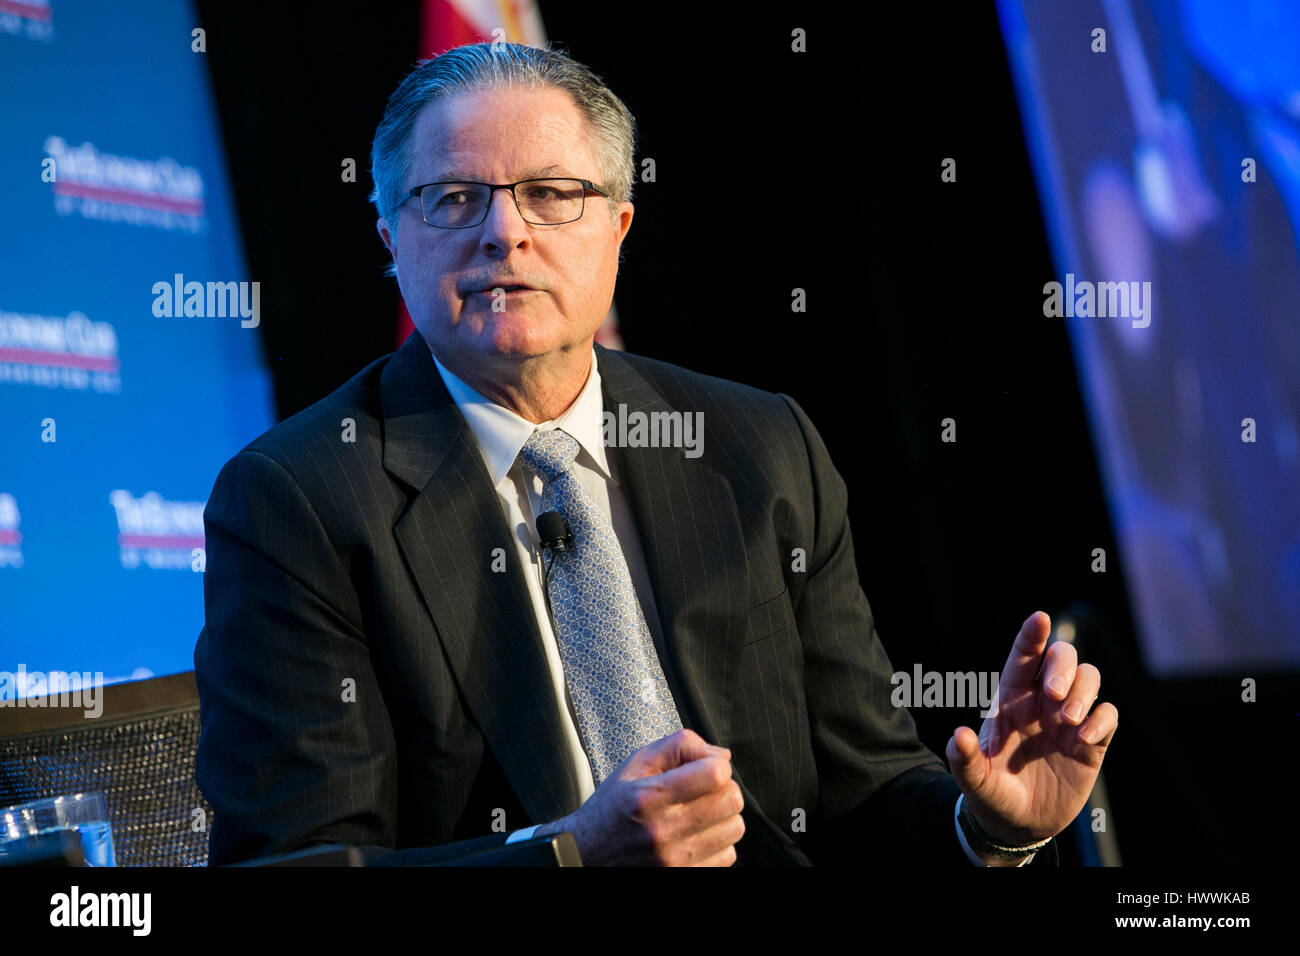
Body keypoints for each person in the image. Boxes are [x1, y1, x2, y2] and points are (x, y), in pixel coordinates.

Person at [193, 42, 1117, 867]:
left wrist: (988, 825)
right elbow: (296, 862)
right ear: (392, 237)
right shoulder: (299, 500)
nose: (503, 232)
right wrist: (570, 859)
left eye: (552, 195)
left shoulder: (760, 448)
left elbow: (863, 786)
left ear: (618, 230)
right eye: (453, 197)